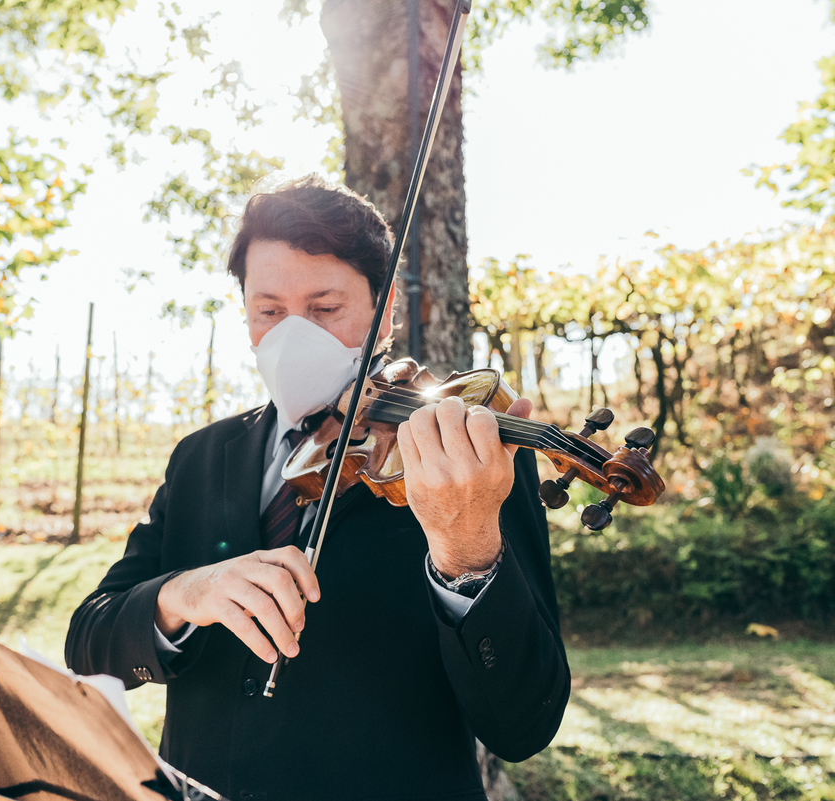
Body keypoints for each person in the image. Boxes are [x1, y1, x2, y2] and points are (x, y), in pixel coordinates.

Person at [65, 175, 570, 801]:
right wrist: (182, 594)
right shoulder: (200, 457)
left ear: (383, 314)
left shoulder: (460, 459)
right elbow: (89, 643)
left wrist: (466, 550)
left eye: (325, 309)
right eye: (269, 311)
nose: (290, 337)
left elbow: (525, 722)